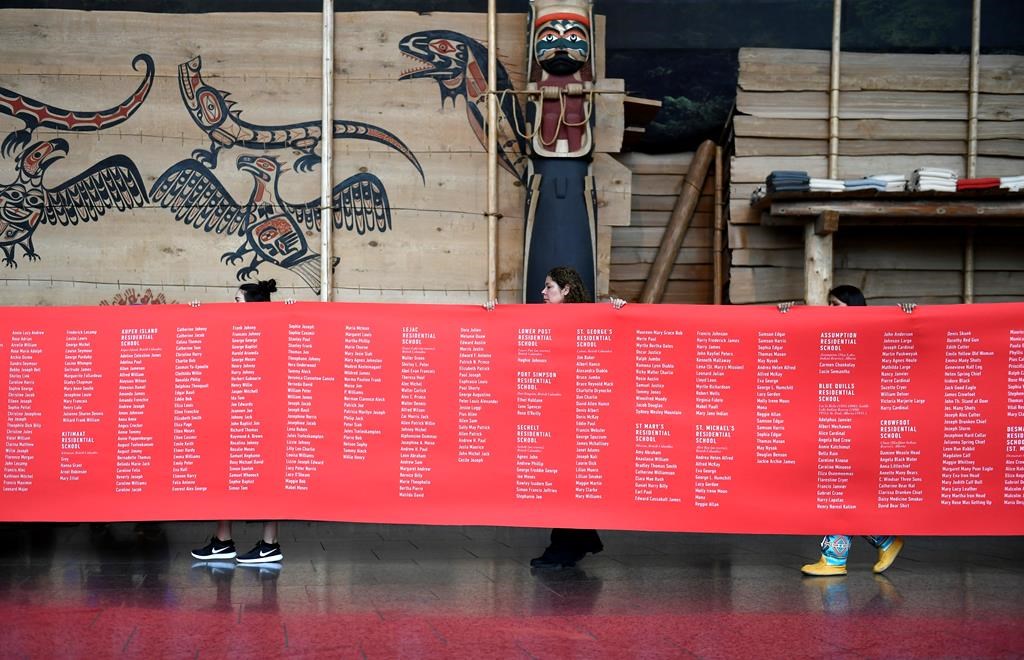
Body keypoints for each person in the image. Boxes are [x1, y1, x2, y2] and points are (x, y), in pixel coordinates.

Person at [799, 284, 904, 576]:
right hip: (834, 424)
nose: (830, 310)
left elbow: (907, 344)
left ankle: (835, 559)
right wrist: (784, 315)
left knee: (836, 490)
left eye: (836, 305)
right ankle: (882, 540)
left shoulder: (872, 334)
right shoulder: (826, 334)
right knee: (839, 492)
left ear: (853, 307)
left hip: (857, 427)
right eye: (828, 304)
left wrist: (907, 316)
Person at [525, 266, 625, 569]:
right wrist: (489, 311)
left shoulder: (593, 318)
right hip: (558, 414)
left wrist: (619, 311)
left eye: (549, 287)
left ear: (567, 290)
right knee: (565, 482)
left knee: (569, 482)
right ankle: (581, 540)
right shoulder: (542, 319)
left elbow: (620, 342)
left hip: (582, 415)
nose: (543, 293)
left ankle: (565, 547)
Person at [191, 279, 284, 565]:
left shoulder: (277, 330)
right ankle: (223, 541)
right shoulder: (231, 329)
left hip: (264, 418)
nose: (232, 304)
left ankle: (268, 546)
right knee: (224, 475)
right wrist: (193, 314)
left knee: (268, 481)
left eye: (237, 299)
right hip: (237, 414)